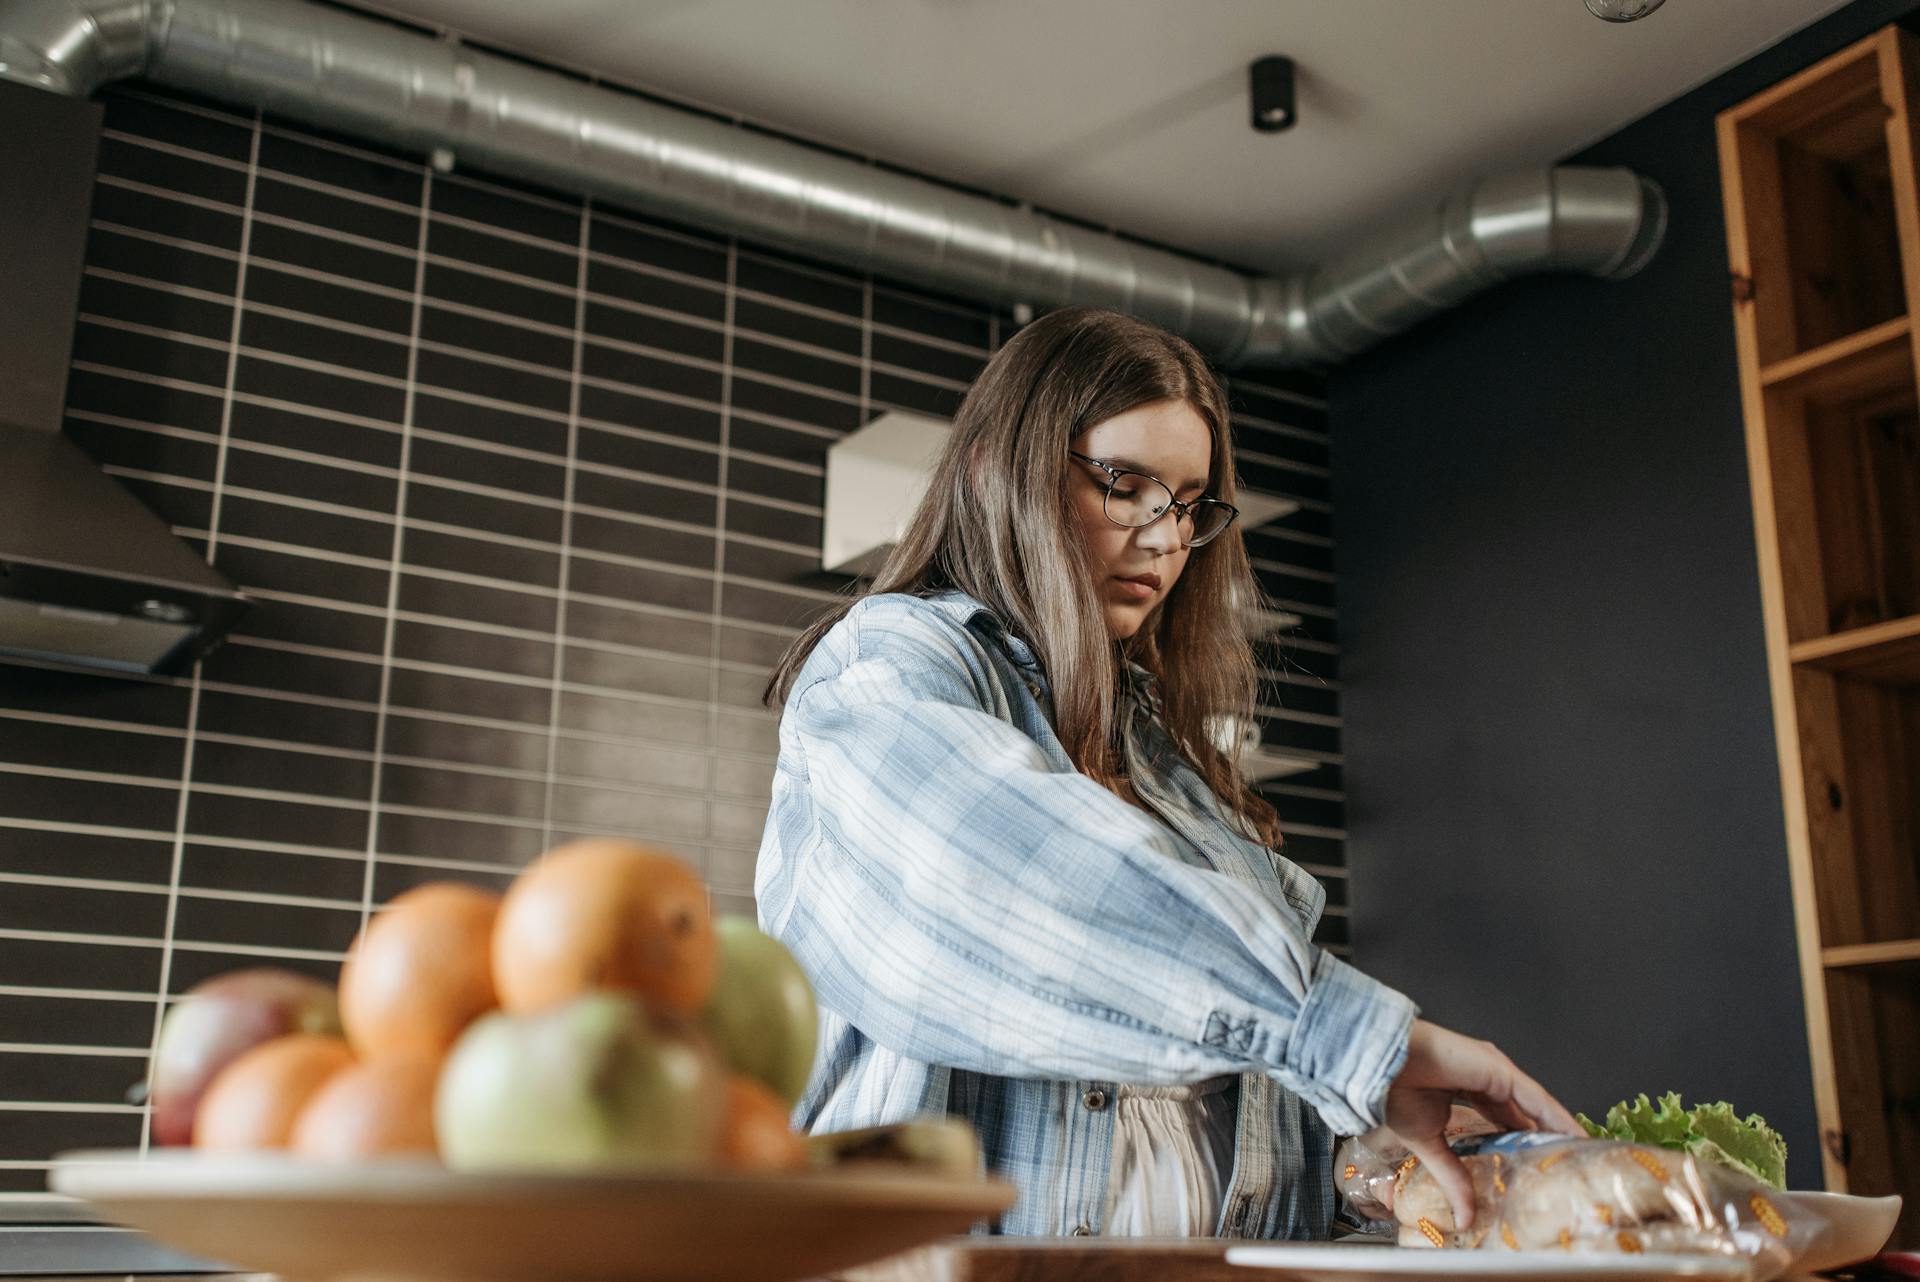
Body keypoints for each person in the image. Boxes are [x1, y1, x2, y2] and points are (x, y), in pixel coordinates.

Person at [754, 306, 1578, 1239]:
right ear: (995, 469)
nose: (1165, 537)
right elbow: (1009, 880)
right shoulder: (889, 667)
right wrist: (1348, 1040)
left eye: (1187, 503)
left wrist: (1373, 1168)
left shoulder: (1170, 774)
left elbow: (1226, 1105)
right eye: (1125, 483)